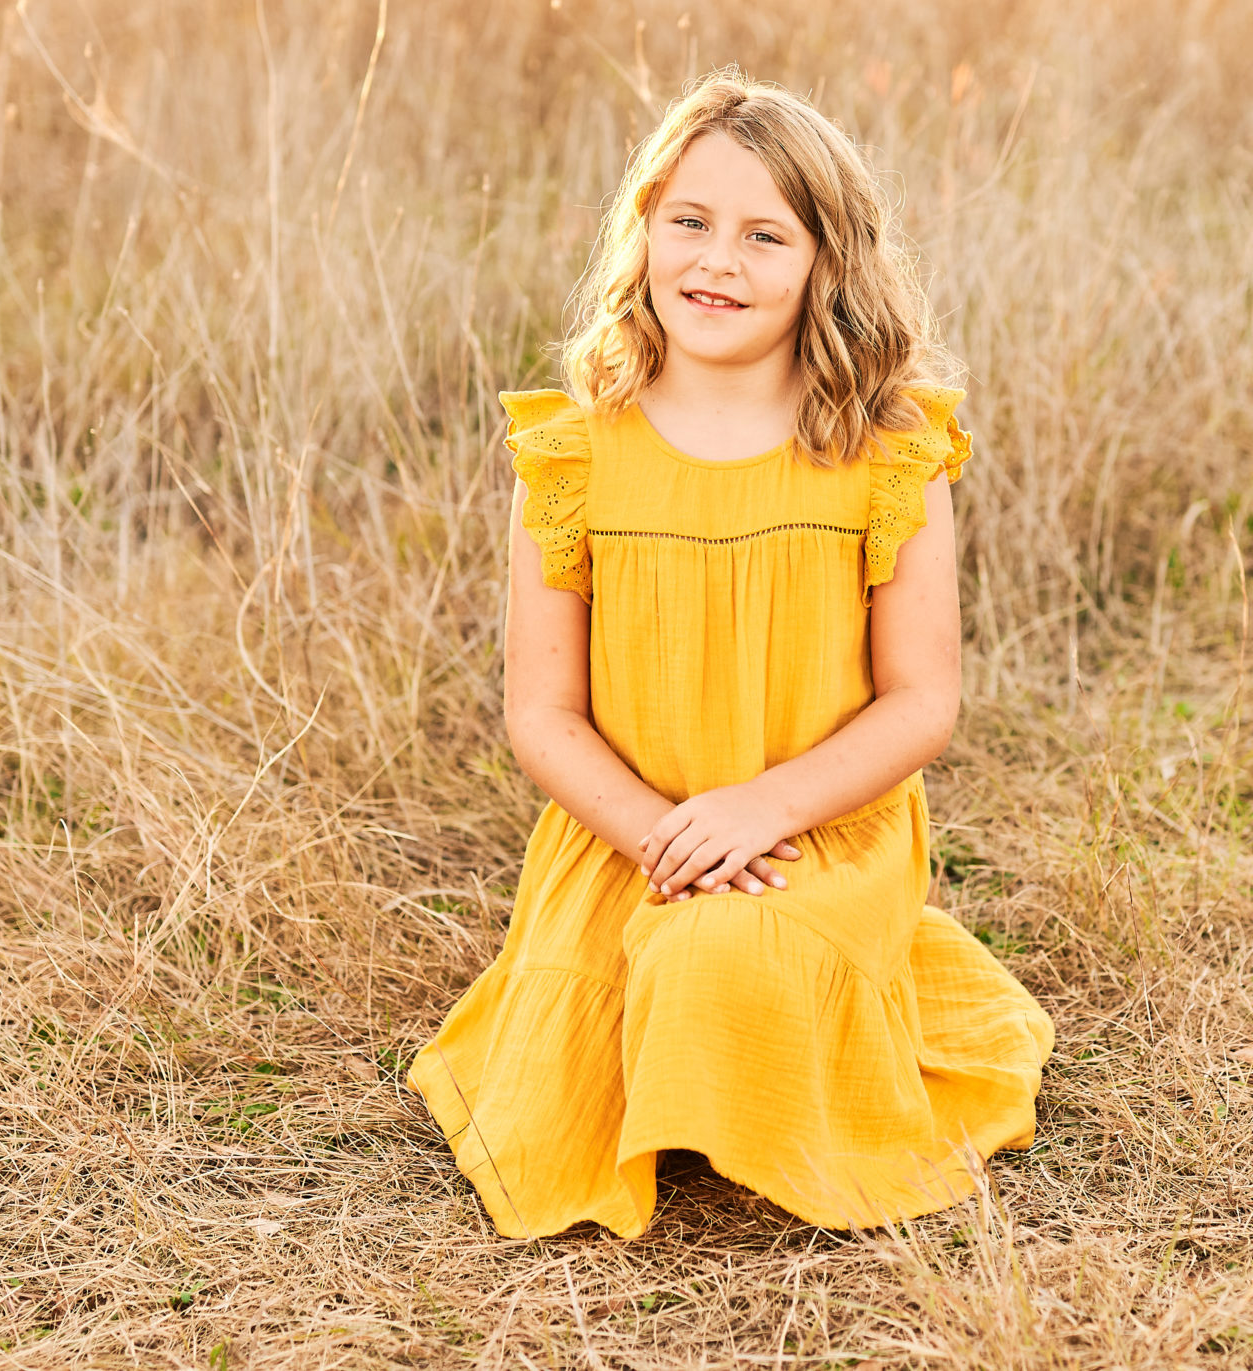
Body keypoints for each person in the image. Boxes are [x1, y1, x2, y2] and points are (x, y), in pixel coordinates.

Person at [409, 71, 1055, 1238]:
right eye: (690, 222)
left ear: (825, 263)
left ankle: (774, 1034)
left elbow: (920, 703)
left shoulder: (881, 448)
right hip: (630, 836)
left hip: (814, 831)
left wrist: (760, 810)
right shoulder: (574, 453)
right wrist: (669, 836)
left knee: (722, 966)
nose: (718, 261)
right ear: (643, 228)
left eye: (766, 236)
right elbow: (542, 714)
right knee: (584, 1043)